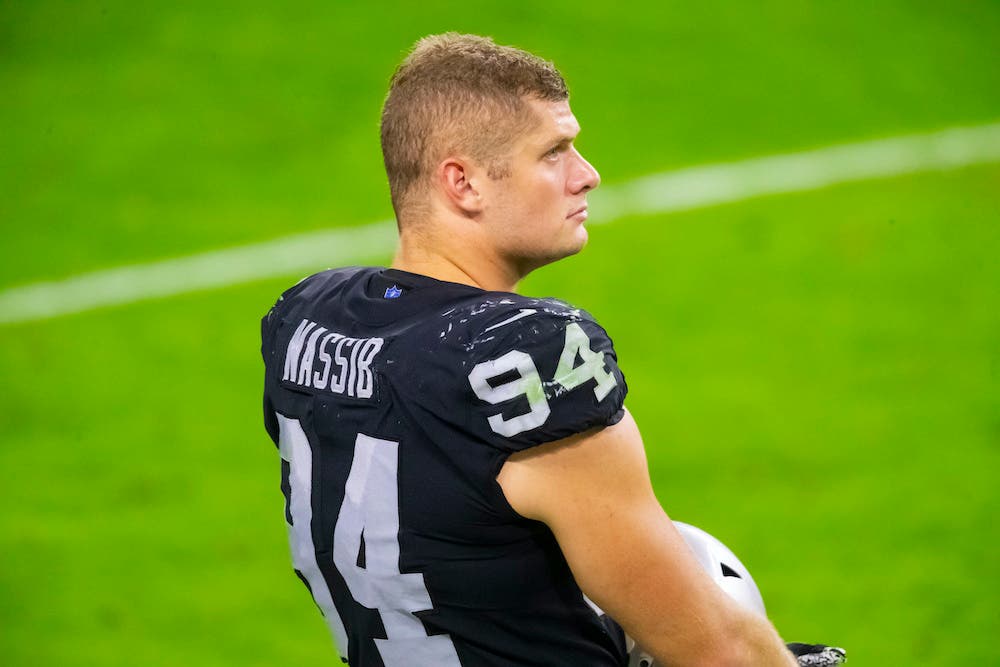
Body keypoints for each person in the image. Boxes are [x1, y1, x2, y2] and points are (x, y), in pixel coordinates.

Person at [261, 33, 836, 666]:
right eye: (554, 153)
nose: (586, 175)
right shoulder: (521, 360)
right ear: (463, 183)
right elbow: (719, 650)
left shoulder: (308, 323)